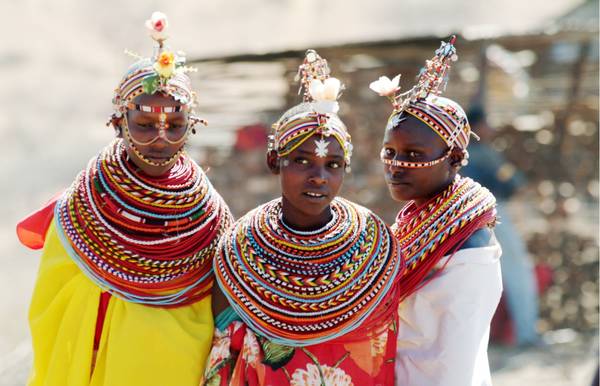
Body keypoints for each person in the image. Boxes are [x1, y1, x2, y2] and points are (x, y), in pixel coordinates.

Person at [16, 12, 232, 386]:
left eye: (175, 126)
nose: (161, 140)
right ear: (118, 123)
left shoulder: (211, 215)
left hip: (177, 370)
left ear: (191, 126)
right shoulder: (82, 206)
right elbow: (54, 306)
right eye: (145, 126)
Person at [202, 50, 404, 386]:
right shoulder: (238, 248)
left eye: (333, 165)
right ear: (273, 162)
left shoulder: (375, 243)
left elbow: (382, 350)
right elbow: (225, 348)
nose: (319, 177)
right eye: (302, 161)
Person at [370, 37, 502, 386]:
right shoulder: (417, 221)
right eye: (390, 152)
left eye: (413, 155)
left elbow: (450, 367)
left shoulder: (468, 251)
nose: (396, 166)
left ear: (455, 160)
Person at [462, 105, 542, 347]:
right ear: (476, 127)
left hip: (463, 222)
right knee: (518, 271)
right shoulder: (484, 153)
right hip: (492, 214)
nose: (492, 129)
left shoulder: (454, 153)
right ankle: (527, 334)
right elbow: (513, 182)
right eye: (487, 124)